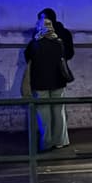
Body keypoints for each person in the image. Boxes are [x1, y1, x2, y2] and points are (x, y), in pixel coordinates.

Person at [24, 17, 71, 151]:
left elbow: (27, 58)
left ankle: (47, 142)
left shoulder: (35, 43)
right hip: (58, 81)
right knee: (59, 112)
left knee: (44, 115)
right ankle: (60, 141)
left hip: (40, 83)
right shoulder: (59, 42)